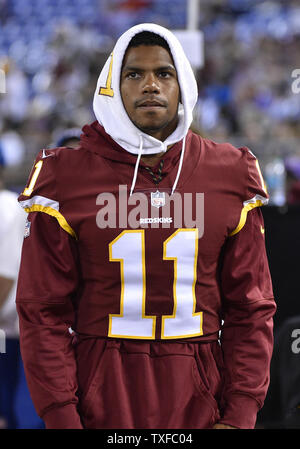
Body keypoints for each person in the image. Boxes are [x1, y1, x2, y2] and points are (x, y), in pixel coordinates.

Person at [16, 23, 276, 429]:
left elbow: (251, 307)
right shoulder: (65, 175)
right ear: (112, 87)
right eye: (134, 74)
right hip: (98, 399)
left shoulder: (228, 171)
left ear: (183, 85)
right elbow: (41, 311)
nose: (150, 85)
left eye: (164, 73)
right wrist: (61, 414)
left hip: (202, 400)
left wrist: (241, 412)